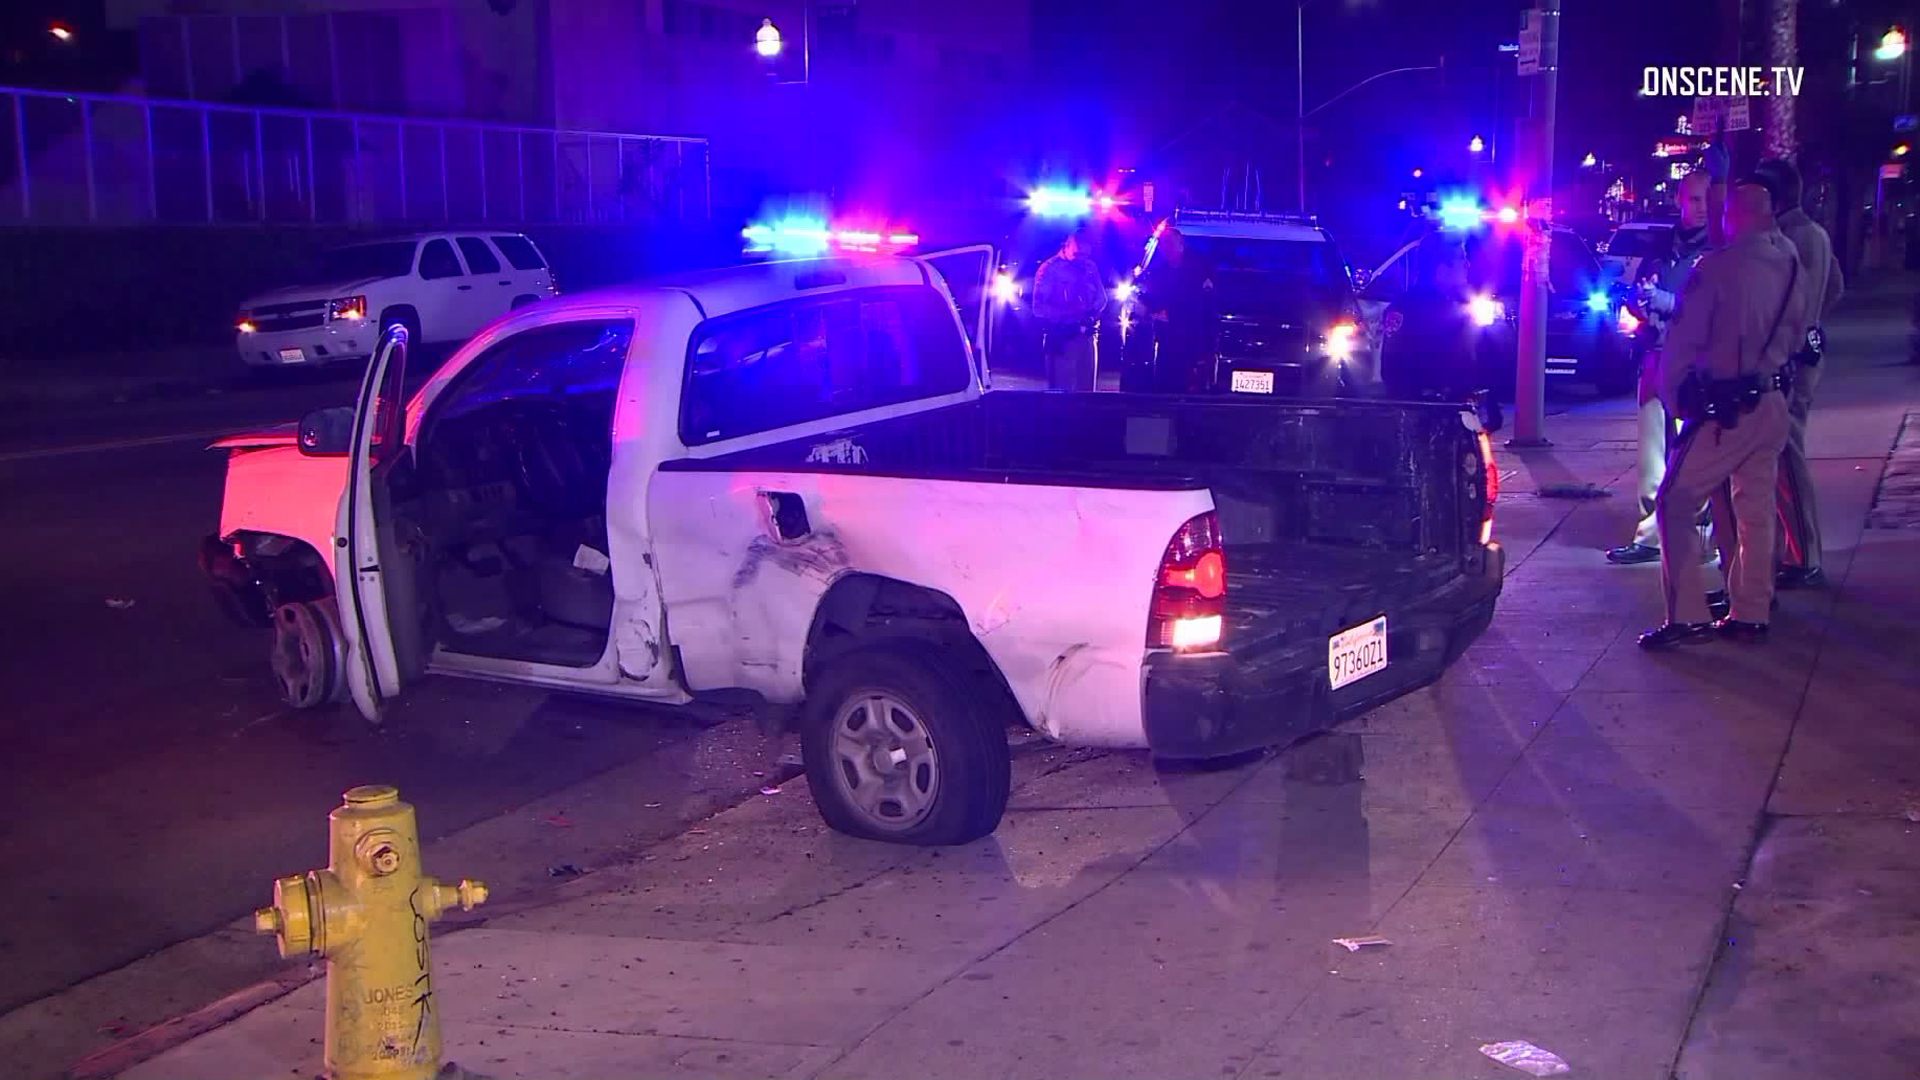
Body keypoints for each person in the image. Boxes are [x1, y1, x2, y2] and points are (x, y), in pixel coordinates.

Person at [1639, 181, 1814, 650]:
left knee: (1675, 500)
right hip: (1773, 402)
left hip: (1727, 410)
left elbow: (1682, 345)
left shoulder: (1716, 269)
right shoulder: (1792, 266)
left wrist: (1675, 398)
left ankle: (1687, 614)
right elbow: (1800, 336)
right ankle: (1752, 610)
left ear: (1733, 215)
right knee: (1756, 509)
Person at [1608, 170, 1715, 565]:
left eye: (1707, 199)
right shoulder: (1663, 247)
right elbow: (1637, 300)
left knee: (1693, 451)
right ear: (1681, 201)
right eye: (1694, 200)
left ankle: (1698, 537)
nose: (1701, 209)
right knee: (1653, 452)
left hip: (1697, 363)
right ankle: (1652, 534)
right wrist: (1640, 300)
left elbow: (1713, 311)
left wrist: (1667, 301)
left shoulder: (1721, 251)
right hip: (1657, 355)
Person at [1751, 158, 1844, 589]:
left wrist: (1792, 339)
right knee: (1785, 451)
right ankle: (1797, 551)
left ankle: (1803, 555)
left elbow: (1791, 303)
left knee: (1787, 454)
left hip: (1791, 359)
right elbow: (1836, 288)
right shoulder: (1816, 234)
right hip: (1804, 352)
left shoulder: (1789, 237)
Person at [1379, 235, 1481, 401]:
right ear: (1441, 269)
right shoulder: (1412, 308)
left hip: (1442, 408)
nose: (1467, 265)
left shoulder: (1458, 304)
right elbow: (1394, 367)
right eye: (1461, 259)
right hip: (1428, 410)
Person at [1135, 226, 1219, 392]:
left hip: (1193, 339)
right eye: (1163, 244)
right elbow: (1151, 295)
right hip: (1166, 339)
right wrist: (1146, 307)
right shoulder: (1159, 270)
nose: (1166, 248)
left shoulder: (1198, 269)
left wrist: (1170, 312)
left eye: (1169, 243)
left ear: (1181, 244)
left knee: (1190, 387)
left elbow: (1199, 303)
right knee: (1165, 386)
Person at [1031, 226, 1106, 391]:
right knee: (1062, 397)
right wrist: (1071, 310)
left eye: (1086, 255)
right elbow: (1038, 308)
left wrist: (1092, 312)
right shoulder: (1050, 269)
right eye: (1078, 255)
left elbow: (1102, 298)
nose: (1082, 260)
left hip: (1086, 337)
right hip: (1062, 339)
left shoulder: (1089, 266)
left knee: (1087, 395)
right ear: (1067, 245)